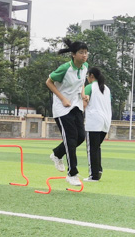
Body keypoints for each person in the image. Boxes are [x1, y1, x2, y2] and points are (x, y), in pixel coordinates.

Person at [47, 39, 89, 189]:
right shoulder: (65, 68)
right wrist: (63, 98)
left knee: (81, 137)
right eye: (81, 53)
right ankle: (72, 174)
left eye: (86, 52)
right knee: (71, 138)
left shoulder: (85, 67)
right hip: (62, 108)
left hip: (76, 105)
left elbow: (81, 82)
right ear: (73, 54)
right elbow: (49, 82)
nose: (84, 55)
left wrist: (83, 95)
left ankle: (57, 154)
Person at [83, 66, 112, 182]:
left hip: (94, 121)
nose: (87, 78)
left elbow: (84, 102)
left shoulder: (89, 87)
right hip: (105, 122)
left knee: (92, 148)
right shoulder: (107, 89)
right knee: (96, 147)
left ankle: (93, 175)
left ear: (91, 76)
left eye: (87, 76)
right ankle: (98, 170)